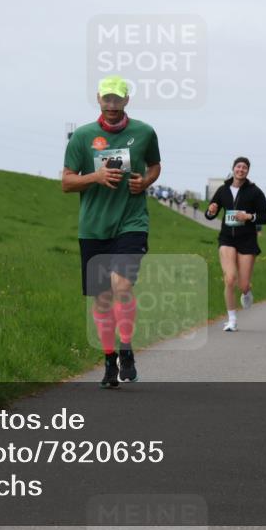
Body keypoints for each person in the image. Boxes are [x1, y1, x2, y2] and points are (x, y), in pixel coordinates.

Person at [62, 75, 161, 388]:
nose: (112, 105)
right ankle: (109, 361)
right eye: (107, 99)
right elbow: (66, 182)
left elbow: (155, 164)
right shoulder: (82, 137)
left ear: (127, 100)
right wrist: (96, 176)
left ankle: (127, 348)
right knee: (102, 299)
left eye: (118, 99)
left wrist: (145, 181)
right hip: (93, 228)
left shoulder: (144, 132)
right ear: (99, 99)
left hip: (132, 223)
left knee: (121, 285)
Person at [205, 157, 266, 332]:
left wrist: (249, 217)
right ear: (233, 169)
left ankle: (247, 292)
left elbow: (265, 217)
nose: (241, 170)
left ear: (248, 171)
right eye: (238, 167)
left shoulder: (254, 192)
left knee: (243, 284)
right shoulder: (223, 190)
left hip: (247, 240)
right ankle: (232, 319)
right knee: (230, 278)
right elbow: (211, 211)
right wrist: (210, 211)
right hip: (227, 238)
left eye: (245, 168)